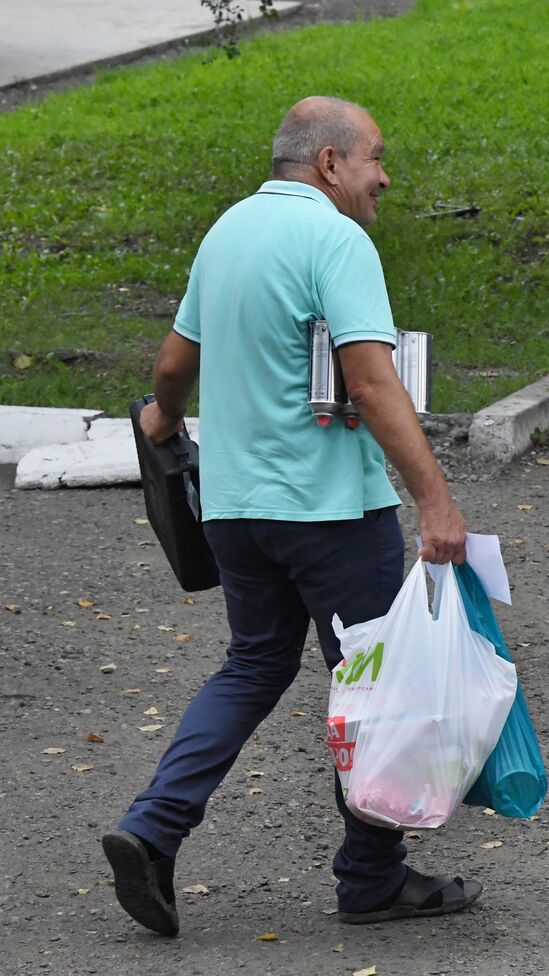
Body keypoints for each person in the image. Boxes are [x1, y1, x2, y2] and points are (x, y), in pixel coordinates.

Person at [103, 96, 476, 936]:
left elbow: (171, 366)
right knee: (376, 688)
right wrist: (435, 498)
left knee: (254, 666)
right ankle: (372, 879)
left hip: (235, 511)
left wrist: (160, 422)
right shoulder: (337, 239)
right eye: (376, 157)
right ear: (330, 163)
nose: (384, 177)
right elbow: (373, 382)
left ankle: (152, 831)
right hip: (331, 514)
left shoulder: (225, 232)